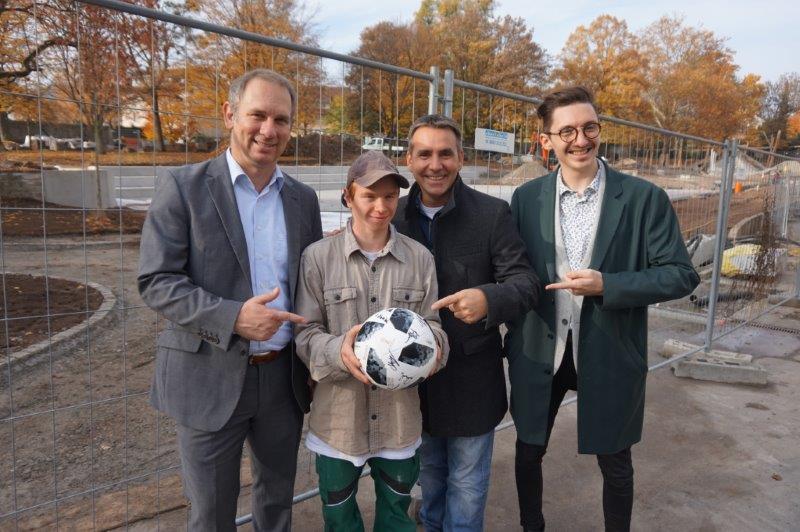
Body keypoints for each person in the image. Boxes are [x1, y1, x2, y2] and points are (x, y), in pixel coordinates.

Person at [506, 86, 700, 531]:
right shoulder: (526, 198)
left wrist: (607, 284)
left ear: (599, 130)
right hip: (540, 348)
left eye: (589, 127)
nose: (580, 139)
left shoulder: (642, 198)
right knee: (527, 449)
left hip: (611, 349)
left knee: (615, 460)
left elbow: (680, 274)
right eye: (567, 130)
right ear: (547, 140)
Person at [138, 69, 322, 531]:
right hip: (209, 375)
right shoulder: (183, 187)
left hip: (283, 379)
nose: (268, 129)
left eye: (281, 119)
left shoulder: (302, 199)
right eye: (257, 115)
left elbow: (312, 281)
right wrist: (232, 317)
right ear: (229, 115)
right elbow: (156, 280)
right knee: (212, 512)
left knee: (278, 500)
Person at [392, 114, 539, 531]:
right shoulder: (393, 218)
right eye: (424, 154)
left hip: (472, 380)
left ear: (461, 158)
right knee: (430, 478)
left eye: (445, 154)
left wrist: (488, 298)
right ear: (408, 159)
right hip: (413, 380)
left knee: (468, 484)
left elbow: (525, 283)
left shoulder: (492, 214)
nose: (434, 165)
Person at [294, 150, 449, 531]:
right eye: (369, 195)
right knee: (340, 520)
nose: (381, 206)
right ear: (348, 197)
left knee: (397, 519)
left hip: (399, 421)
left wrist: (433, 353)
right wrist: (338, 352)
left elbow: (434, 325)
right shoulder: (317, 258)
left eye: (390, 197)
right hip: (338, 422)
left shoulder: (420, 259)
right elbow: (304, 332)